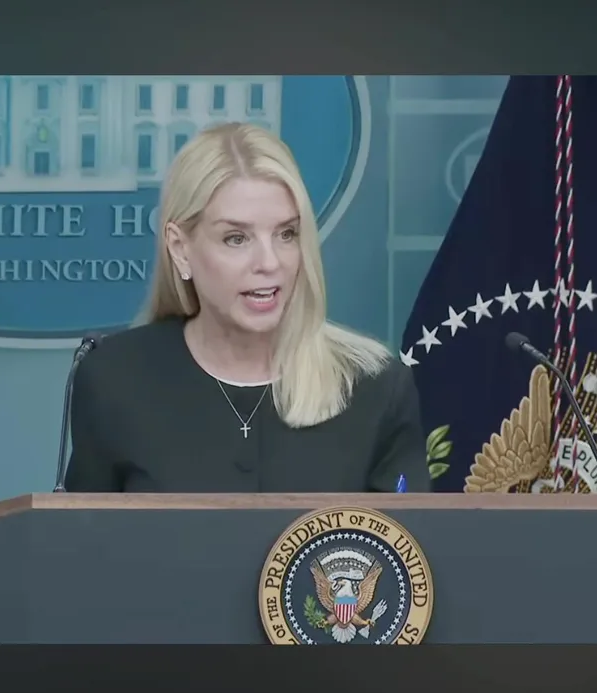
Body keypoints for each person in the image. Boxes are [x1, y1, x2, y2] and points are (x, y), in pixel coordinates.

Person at [62, 122, 432, 494]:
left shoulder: (376, 388)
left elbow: (404, 532)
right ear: (180, 248)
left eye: (286, 234)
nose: (269, 262)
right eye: (236, 238)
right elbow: (83, 531)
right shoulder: (114, 379)